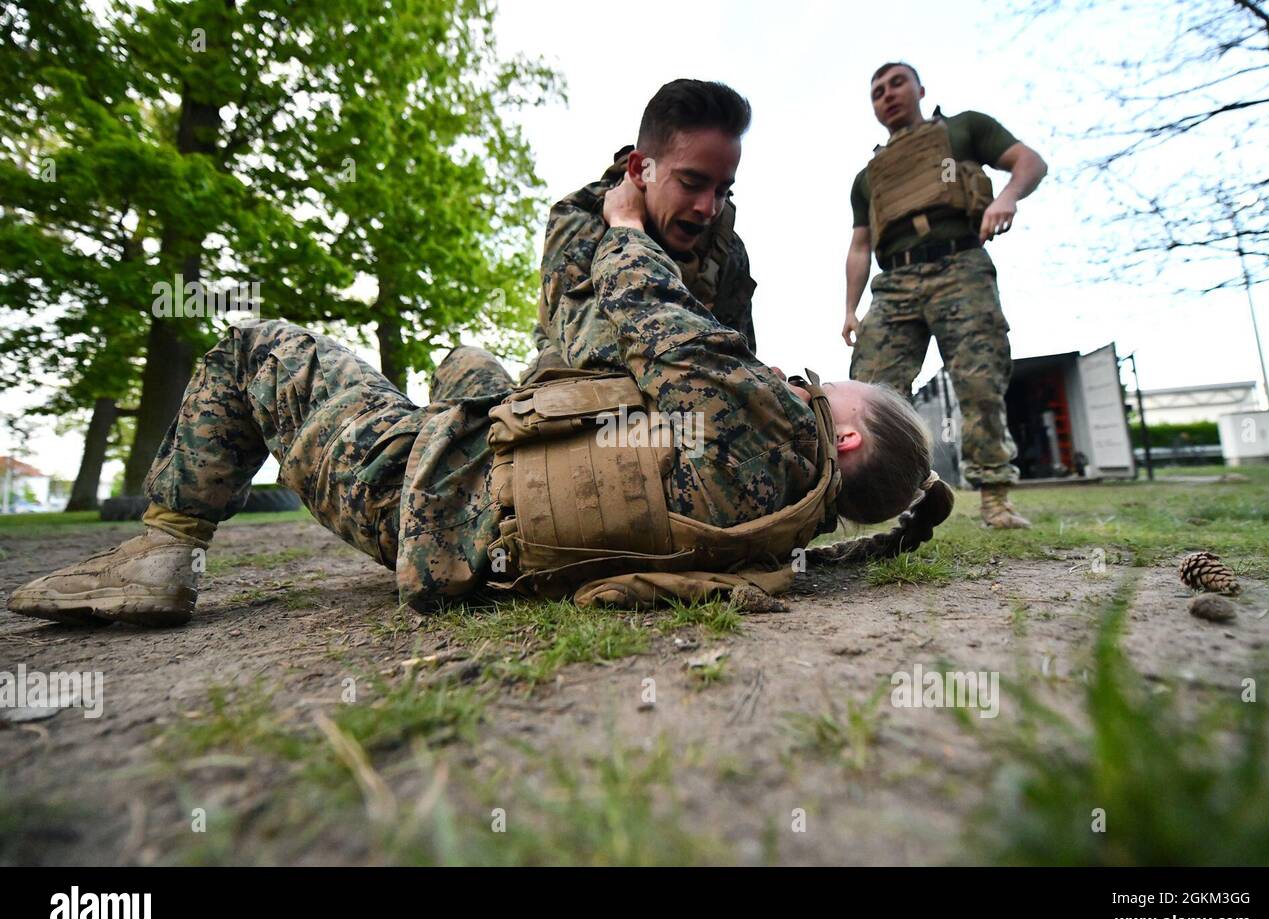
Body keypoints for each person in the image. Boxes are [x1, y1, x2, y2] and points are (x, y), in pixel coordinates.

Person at [8, 151, 953, 628]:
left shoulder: (771, 423)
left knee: (258, 349)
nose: (800, 382)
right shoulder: (787, 528)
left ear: (845, 442)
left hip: (423, 496)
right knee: (465, 364)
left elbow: (642, 311)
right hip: (489, 526)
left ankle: (165, 554)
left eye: (824, 391)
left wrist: (624, 214)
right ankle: (444, 413)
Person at [842, 62, 1047, 529]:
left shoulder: (965, 128)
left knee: (979, 381)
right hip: (895, 282)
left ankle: (995, 498)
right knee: (873, 393)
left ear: (920, 88)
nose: (888, 94)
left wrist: (1008, 196)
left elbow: (1030, 161)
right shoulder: (867, 176)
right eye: (877, 90)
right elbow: (859, 246)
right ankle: (895, 499)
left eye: (897, 83)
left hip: (960, 266)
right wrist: (850, 309)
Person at [523, 78, 758, 382]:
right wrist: (628, 232)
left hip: (687, 410)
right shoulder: (581, 219)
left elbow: (744, 365)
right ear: (640, 169)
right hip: (578, 397)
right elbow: (589, 349)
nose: (708, 208)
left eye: (722, 191)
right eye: (691, 183)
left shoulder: (725, 250)